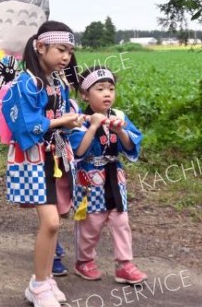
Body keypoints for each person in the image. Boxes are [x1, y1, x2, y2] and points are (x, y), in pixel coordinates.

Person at [2, 21, 82, 307]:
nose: (66, 57)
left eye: (69, 52)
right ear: (40, 46)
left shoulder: (57, 83)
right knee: (49, 222)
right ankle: (37, 285)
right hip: (34, 158)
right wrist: (63, 121)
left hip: (55, 155)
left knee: (55, 223)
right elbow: (25, 123)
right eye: (61, 49)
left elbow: (65, 114)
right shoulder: (26, 82)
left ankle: (46, 280)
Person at [69, 66, 147, 284]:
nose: (107, 94)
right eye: (100, 89)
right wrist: (93, 127)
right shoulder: (79, 120)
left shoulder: (119, 117)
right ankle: (84, 261)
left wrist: (120, 131)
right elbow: (78, 151)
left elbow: (132, 145)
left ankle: (125, 265)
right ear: (85, 94)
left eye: (111, 89)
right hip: (90, 179)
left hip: (114, 176)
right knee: (91, 223)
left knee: (121, 220)